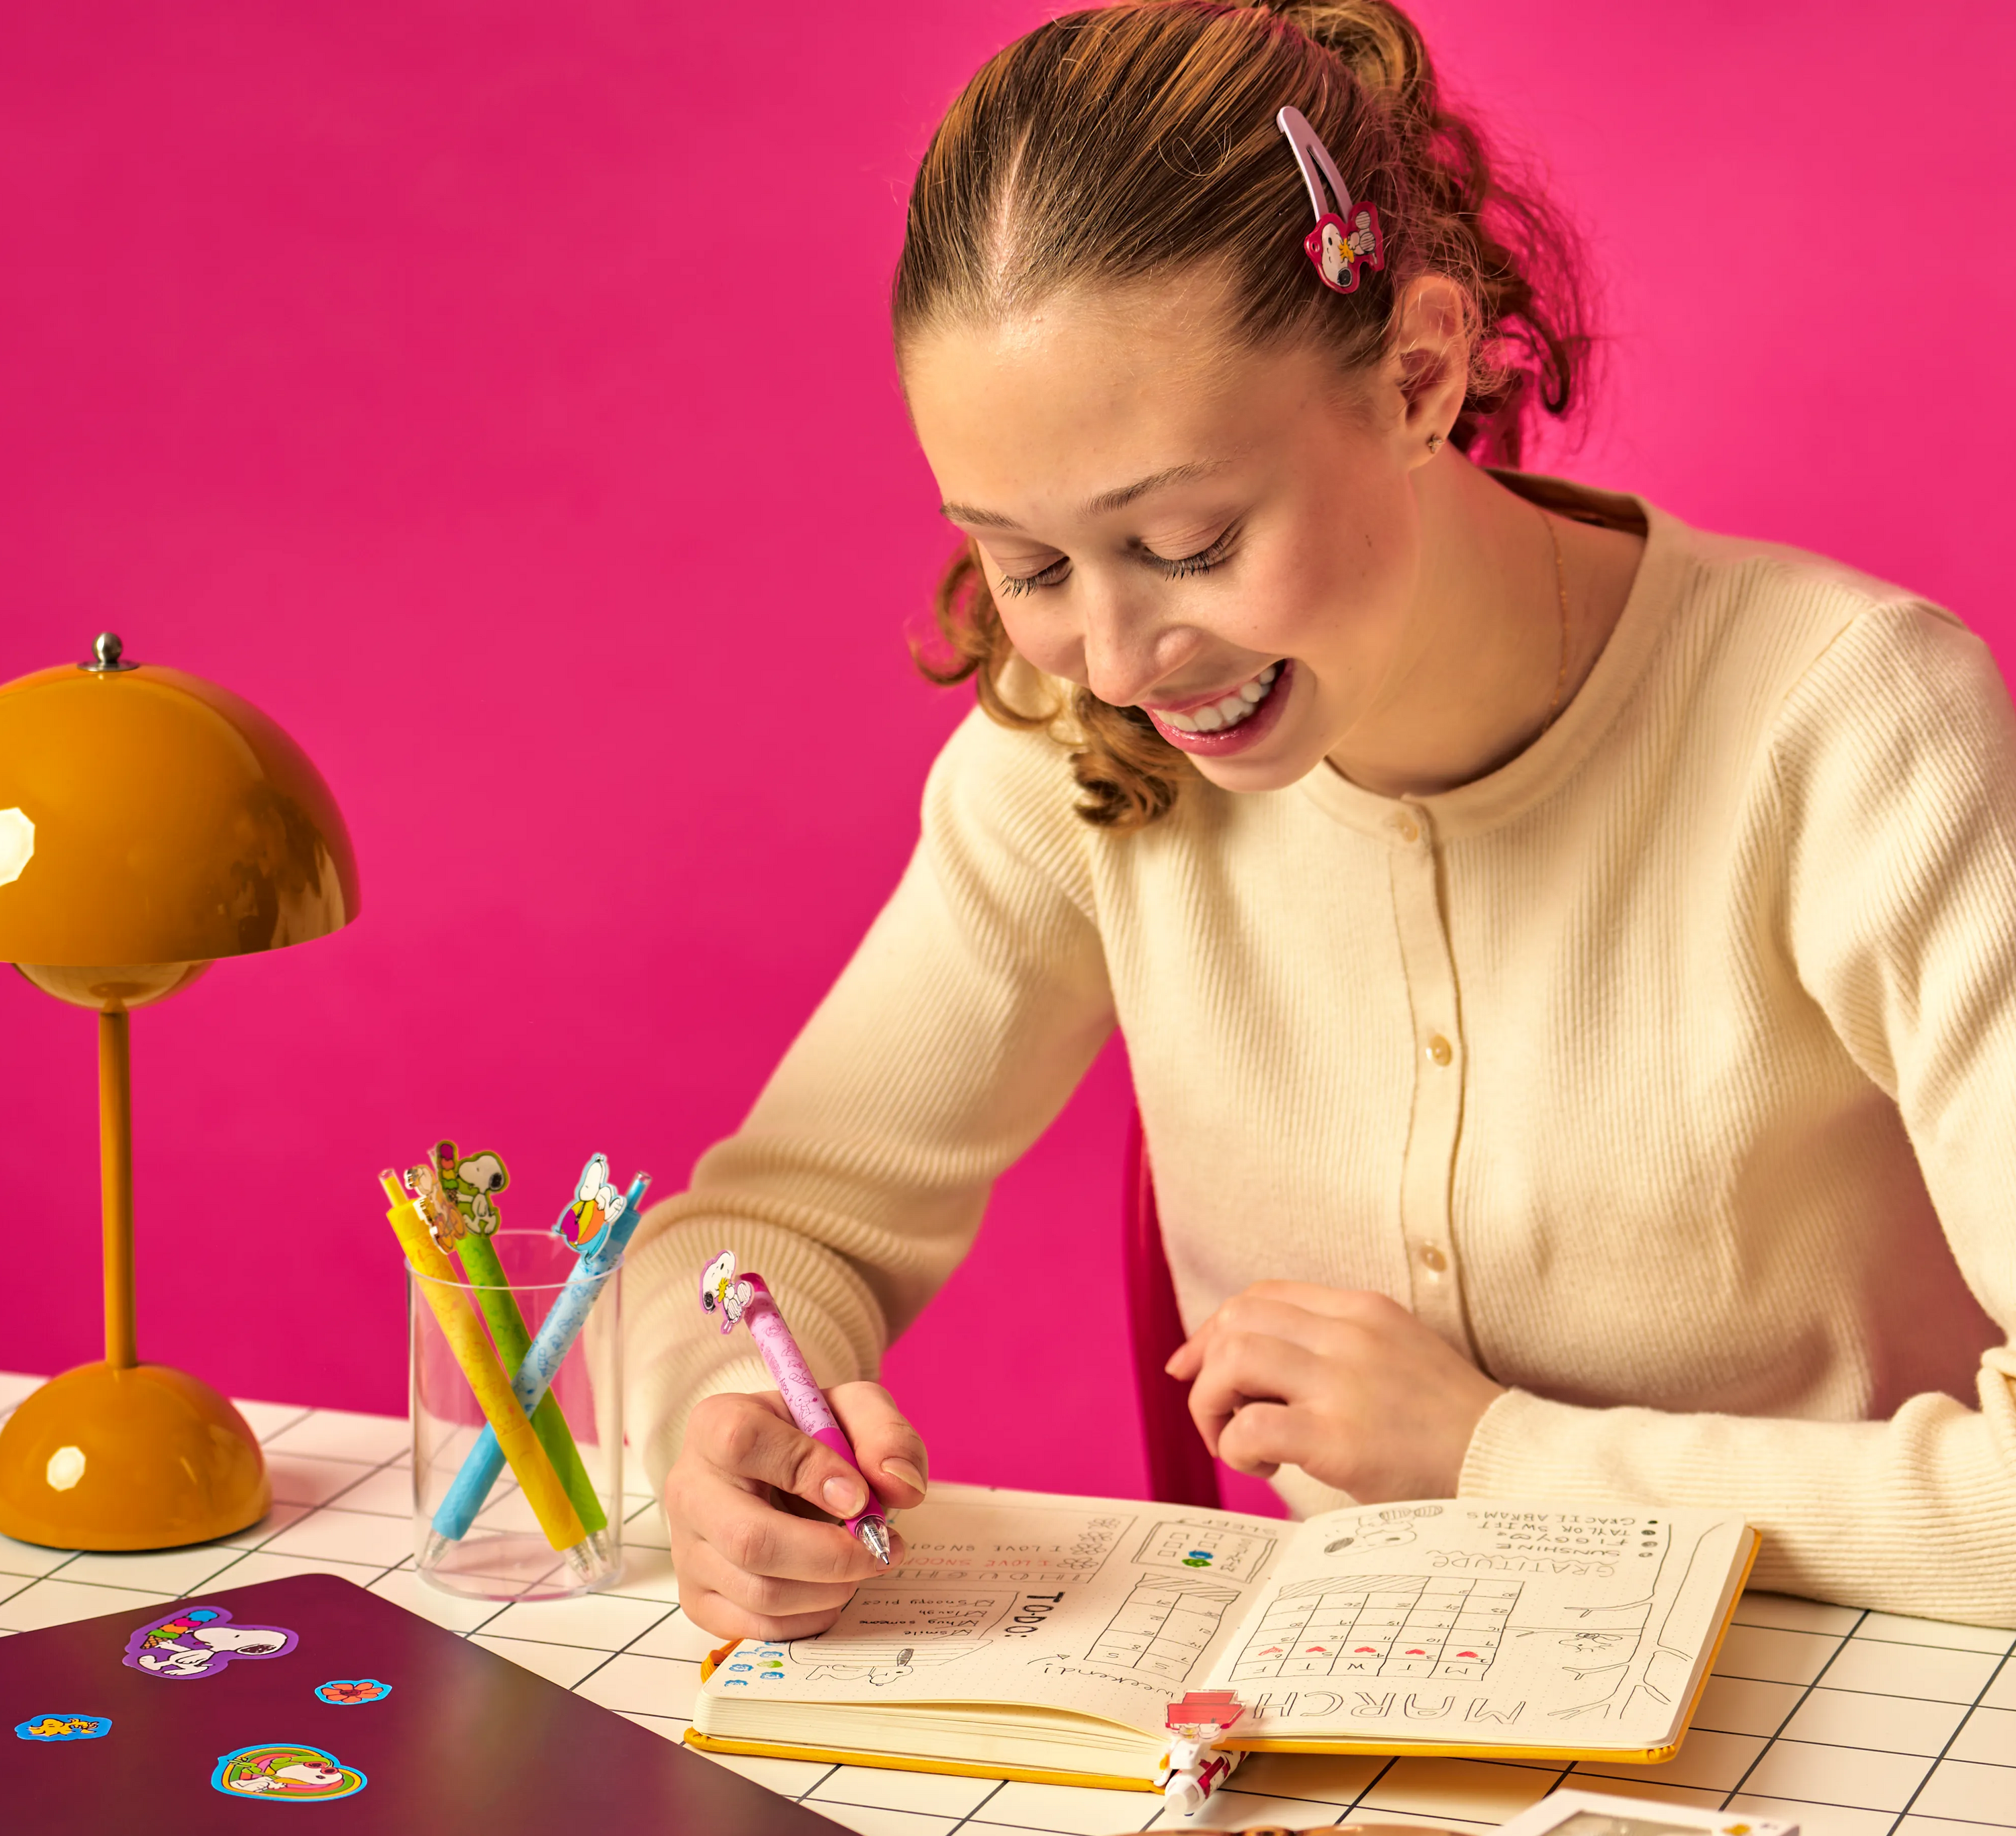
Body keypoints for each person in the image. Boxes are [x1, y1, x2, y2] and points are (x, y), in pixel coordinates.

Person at [626, 0, 2016, 1638]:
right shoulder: (1070, 752)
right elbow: (770, 1229)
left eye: (1194, 542)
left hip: (1868, 1742)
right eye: (1029, 564)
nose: (1125, 659)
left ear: (1420, 375)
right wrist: (724, 1418)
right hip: (1347, 1745)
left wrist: (1496, 1458)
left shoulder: (1849, 725)